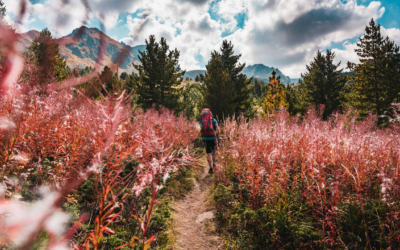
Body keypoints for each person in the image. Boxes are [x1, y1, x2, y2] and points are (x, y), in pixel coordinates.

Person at [200, 108, 220, 174]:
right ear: (211, 114)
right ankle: (214, 164)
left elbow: (201, 131)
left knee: (208, 153)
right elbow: (218, 130)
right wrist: (217, 137)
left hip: (206, 139)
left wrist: (203, 138)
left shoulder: (203, 121)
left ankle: (210, 167)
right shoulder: (214, 120)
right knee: (214, 152)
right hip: (213, 138)